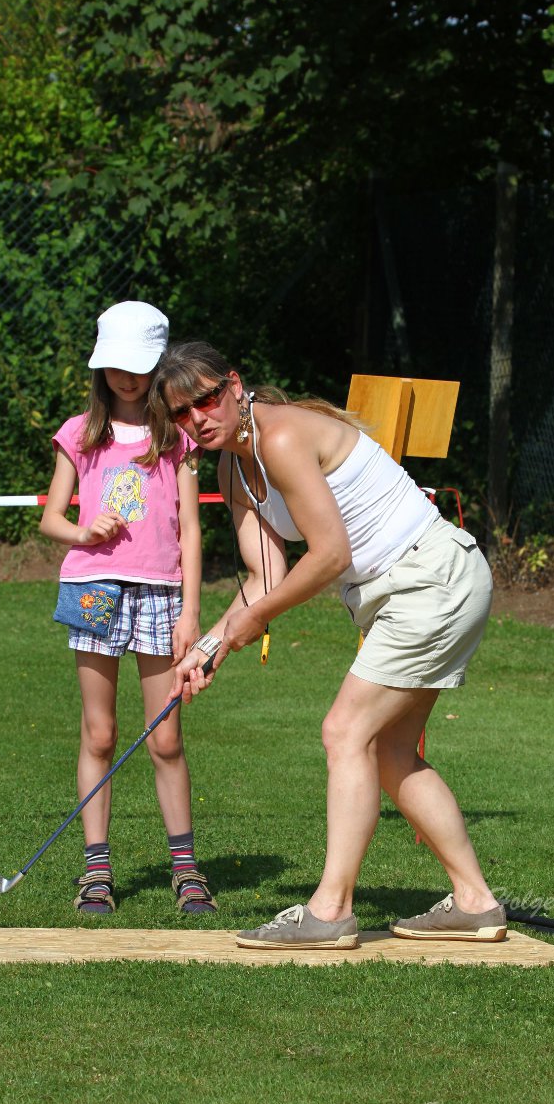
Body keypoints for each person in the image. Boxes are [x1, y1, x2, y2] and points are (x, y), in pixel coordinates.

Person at [156, 340, 506, 950]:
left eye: (207, 399)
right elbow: (264, 578)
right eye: (182, 414)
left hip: (431, 576)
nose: (198, 418)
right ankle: (476, 902)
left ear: (235, 386)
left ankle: (331, 910)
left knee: (345, 732)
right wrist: (211, 644)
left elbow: (330, 556)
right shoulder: (232, 469)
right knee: (392, 753)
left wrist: (251, 621)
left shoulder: (283, 437)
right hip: (413, 588)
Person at [40, 302, 216, 918]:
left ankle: (186, 870)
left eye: (138, 366)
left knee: (166, 737)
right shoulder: (78, 433)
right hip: (93, 589)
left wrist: (191, 611)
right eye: (115, 364)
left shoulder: (181, 437)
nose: (126, 377)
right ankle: (96, 872)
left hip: (162, 595)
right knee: (101, 732)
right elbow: (50, 519)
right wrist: (84, 532)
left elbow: (191, 530)